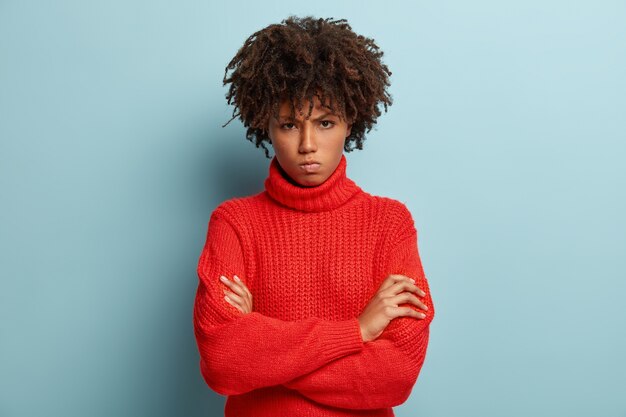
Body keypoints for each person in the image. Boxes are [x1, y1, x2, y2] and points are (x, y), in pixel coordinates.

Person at [193, 15, 435, 417]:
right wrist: (356, 332)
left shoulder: (389, 223)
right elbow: (222, 361)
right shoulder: (234, 223)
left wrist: (264, 351)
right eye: (289, 124)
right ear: (265, 123)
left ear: (349, 121)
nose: (307, 145)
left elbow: (396, 373)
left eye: (325, 123)